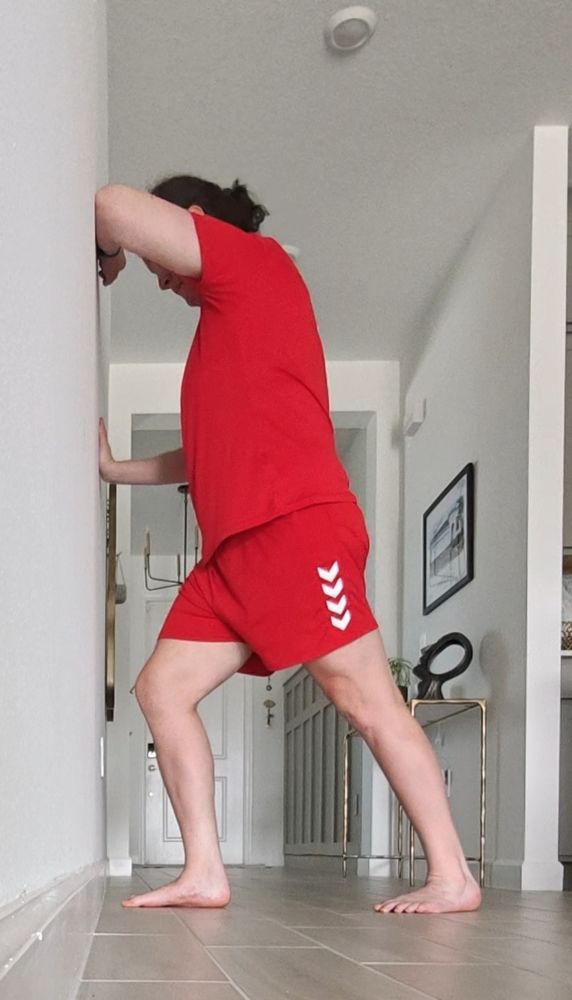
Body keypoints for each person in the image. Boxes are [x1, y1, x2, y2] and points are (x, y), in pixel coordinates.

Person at [96, 175, 481, 915]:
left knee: (362, 695)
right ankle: (205, 869)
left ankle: (452, 875)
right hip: (233, 554)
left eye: (159, 265)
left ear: (197, 221)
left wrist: (111, 250)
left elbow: (112, 207)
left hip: (294, 525)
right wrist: (117, 470)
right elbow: (202, 453)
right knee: (161, 690)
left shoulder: (253, 263)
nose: (160, 280)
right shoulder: (223, 331)